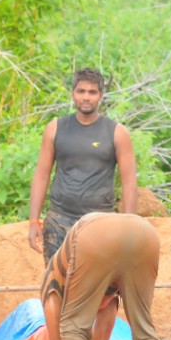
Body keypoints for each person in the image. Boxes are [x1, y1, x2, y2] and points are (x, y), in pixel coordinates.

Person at [40, 212, 165, 340]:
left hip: (97, 237)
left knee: (73, 328)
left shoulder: (53, 284)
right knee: (145, 333)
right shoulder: (109, 295)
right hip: (145, 234)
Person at [28, 68, 139, 263]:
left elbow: (129, 182)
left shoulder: (117, 133)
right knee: (56, 285)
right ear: (73, 94)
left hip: (100, 223)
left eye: (92, 92)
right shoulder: (55, 128)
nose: (86, 97)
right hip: (59, 221)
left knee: (101, 289)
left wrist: (129, 230)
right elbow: (41, 176)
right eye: (81, 91)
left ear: (101, 96)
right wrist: (33, 221)